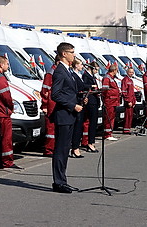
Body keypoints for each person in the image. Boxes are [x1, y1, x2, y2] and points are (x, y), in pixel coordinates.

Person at [51, 42, 83, 193]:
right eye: (71, 52)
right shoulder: (59, 71)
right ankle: (58, 182)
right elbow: (55, 94)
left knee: (65, 149)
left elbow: (68, 92)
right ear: (64, 54)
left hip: (70, 115)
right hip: (63, 115)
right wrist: (72, 106)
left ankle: (62, 180)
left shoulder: (68, 70)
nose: (74, 54)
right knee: (61, 149)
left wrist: (79, 100)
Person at [40, 55, 60, 157]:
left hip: (56, 103)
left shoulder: (57, 72)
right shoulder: (50, 73)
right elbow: (45, 90)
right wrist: (45, 105)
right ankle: (48, 149)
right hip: (51, 104)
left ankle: (54, 147)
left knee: (55, 128)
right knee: (50, 128)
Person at [70, 58, 88, 158]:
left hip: (81, 102)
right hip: (76, 103)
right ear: (76, 65)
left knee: (79, 126)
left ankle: (75, 147)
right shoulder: (73, 76)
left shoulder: (79, 76)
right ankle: (75, 148)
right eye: (81, 64)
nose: (82, 66)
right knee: (76, 126)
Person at [81, 61, 100, 153]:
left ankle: (91, 141)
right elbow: (82, 85)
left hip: (94, 100)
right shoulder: (86, 76)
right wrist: (91, 86)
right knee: (91, 122)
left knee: (93, 123)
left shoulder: (92, 76)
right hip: (90, 101)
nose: (97, 71)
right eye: (96, 69)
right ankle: (90, 143)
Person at [101, 64, 120, 141]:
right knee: (108, 117)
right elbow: (105, 90)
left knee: (112, 117)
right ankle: (107, 134)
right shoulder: (107, 78)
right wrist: (114, 93)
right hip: (109, 101)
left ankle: (109, 133)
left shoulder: (112, 78)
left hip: (113, 101)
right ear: (114, 70)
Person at [121, 67, 136, 134]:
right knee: (127, 116)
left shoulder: (131, 80)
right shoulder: (125, 80)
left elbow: (132, 92)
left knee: (130, 116)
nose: (131, 73)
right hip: (128, 101)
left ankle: (128, 128)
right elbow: (124, 91)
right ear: (127, 72)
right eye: (130, 72)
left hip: (131, 100)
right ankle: (126, 129)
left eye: (132, 72)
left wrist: (134, 101)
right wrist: (128, 101)